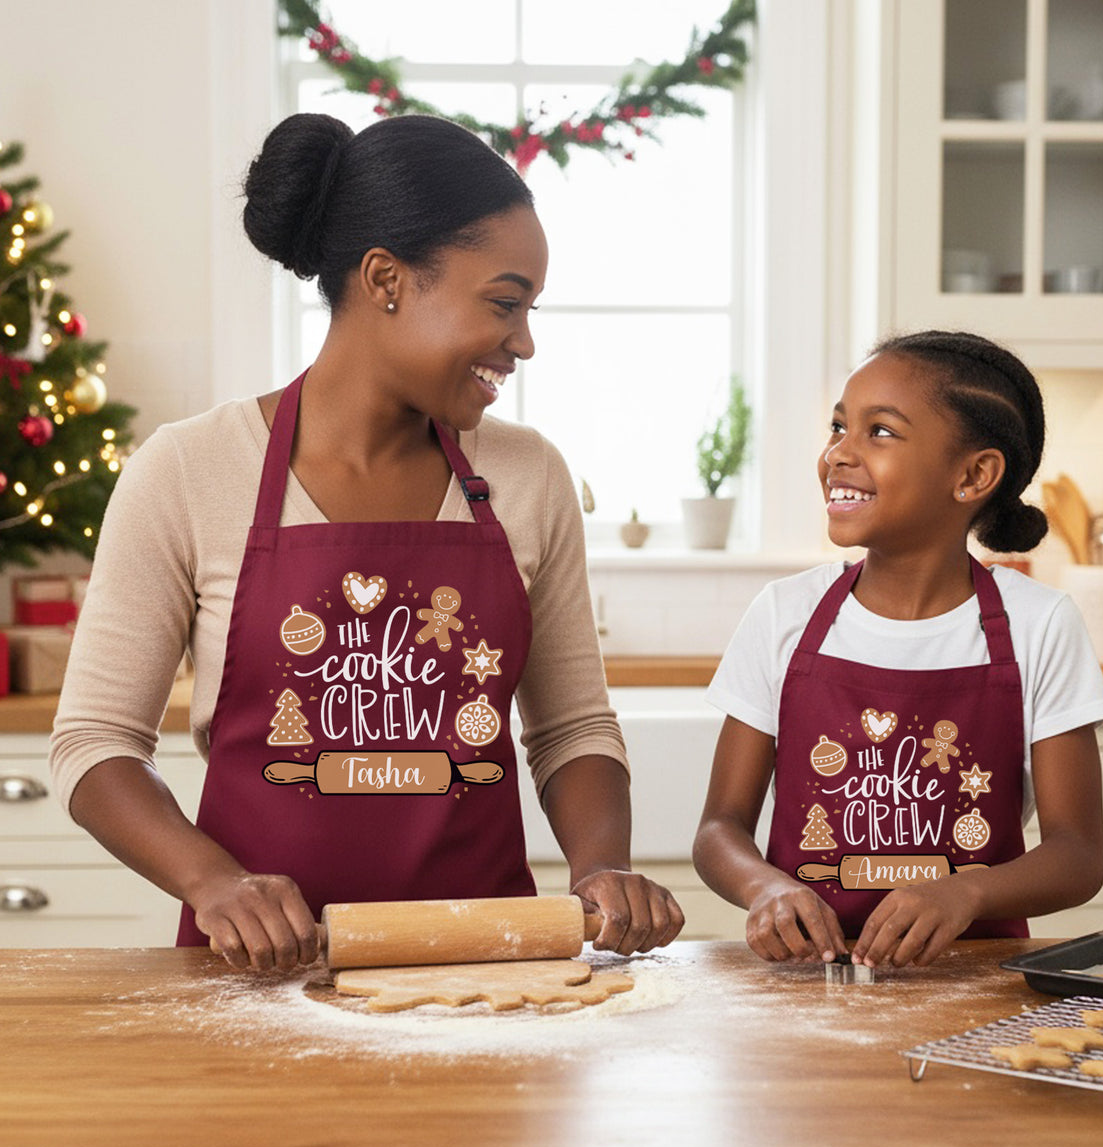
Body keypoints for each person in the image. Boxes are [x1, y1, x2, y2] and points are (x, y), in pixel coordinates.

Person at [51, 112, 683, 970]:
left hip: (486, 972)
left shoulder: (529, 476)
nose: (525, 342)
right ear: (386, 277)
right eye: (504, 303)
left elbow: (571, 729)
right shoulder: (189, 470)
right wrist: (214, 883)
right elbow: (93, 745)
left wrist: (601, 868)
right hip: (256, 983)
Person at [693, 330, 1103, 969]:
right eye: (838, 427)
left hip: (974, 977)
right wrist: (765, 886)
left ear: (973, 475)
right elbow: (719, 828)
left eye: (879, 432)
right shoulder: (785, 614)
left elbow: (1078, 854)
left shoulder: (1040, 624)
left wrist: (966, 891)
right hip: (808, 981)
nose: (839, 452)